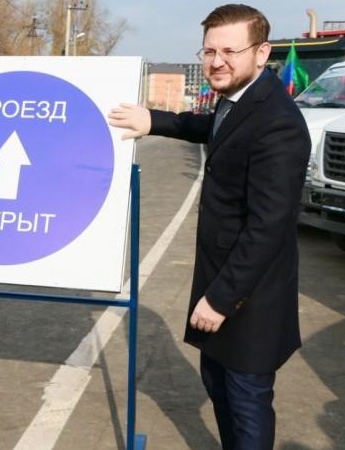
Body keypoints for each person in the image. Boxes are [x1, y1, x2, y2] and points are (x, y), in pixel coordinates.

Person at [109, 4, 309, 449]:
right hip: (223, 280)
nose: (217, 62)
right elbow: (212, 129)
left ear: (262, 53)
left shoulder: (278, 123)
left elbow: (268, 226)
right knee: (218, 385)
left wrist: (220, 300)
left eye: (230, 52)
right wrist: (153, 120)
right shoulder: (239, 100)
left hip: (249, 297)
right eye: (209, 51)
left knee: (245, 401)